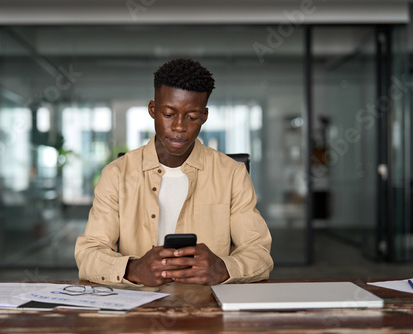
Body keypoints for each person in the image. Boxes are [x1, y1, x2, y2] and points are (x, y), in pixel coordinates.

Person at [75, 58, 273, 287]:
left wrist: (224, 269)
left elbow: (259, 253)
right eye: (169, 114)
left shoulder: (232, 174)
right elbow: (89, 254)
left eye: (192, 117)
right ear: (152, 110)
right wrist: (133, 269)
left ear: (205, 116)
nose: (179, 127)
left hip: (209, 308)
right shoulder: (116, 175)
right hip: (139, 307)